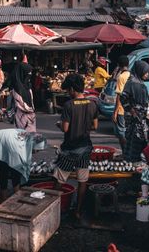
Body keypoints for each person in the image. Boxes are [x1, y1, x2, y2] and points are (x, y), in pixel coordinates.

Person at [53, 74, 98, 219]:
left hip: (70, 149)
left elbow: (65, 128)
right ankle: (78, 211)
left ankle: (53, 209)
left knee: (59, 179)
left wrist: (59, 124)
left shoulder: (69, 105)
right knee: (82, 180)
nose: (67, 93)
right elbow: (95, 126)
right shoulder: (92, 104)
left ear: (72, 89)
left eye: (68, 90)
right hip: (85, 147)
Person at [0, 129, 44, 206]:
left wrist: (17, 195)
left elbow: (14, 169)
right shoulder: (17, 148)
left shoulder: (26, 141)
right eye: (36, 150)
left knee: (4, 167)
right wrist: (17, 194)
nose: (36, 153)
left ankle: (3, 197)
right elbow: (15, 169)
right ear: (32, 145)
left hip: (0, 144)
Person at [120, 61, 149, 162]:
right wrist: (131, 110)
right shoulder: (132, 83)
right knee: (135, 139)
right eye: (146, 72)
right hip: (135, 118)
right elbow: (123, 98)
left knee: (138, 140)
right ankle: (132, 162)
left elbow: (142, 99)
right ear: (140, 71)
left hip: (141, 117)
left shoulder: (140, 83)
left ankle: (134, 161)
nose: (147, 74)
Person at [112, 55, 131, 152]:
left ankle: (125, 153)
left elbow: (119, 95)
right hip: (130, 109)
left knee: (121, 132)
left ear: (119, 65)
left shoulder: (121, 77)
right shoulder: (131, 75)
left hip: (122, 109)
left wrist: (115, 111)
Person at [11, 62, 36, 132]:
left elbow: (31, 100)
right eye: (28, 73)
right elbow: (20, 104)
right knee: (22, 136)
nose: (30, 75)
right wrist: (31, 110)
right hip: (21, 116)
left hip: (30, 116)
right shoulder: (17, 88)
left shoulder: (28, 86)